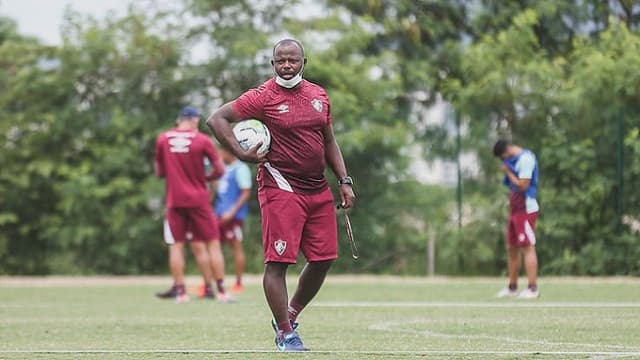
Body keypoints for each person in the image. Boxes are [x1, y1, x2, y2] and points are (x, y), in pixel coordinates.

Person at [206, 38, 355, 351]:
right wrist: (241, 153)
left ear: (304, 61)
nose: (287, 65)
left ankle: (288, 314)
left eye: (293, 60)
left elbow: (329, 140)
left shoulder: (318, 95)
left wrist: (344, 179)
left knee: (324, 258)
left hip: (317, 188)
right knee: (278, 263)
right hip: (281, 186)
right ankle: (286, 334)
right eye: (281, 61)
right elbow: (216, 119)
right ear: (273, 64)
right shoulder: (263, 96)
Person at [154, 106, 228, 303]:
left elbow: (159, 171)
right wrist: (204, 177)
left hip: (174, 200)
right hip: (199, 200)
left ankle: (181, 292)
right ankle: (221, 291)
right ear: (195, 120)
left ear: (179, 120)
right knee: (212, 243)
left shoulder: (163, 138)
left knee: (176, 246)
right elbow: (220, 170)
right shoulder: (203, 140)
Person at [493, 139, 540, 299]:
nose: (504, 161)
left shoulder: (525, 159)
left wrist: (508, 172)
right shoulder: (516, 160)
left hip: (526, 209)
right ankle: (512, 288)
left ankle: (532, 289)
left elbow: (523, 185)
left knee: (527, 247)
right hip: (515, 210)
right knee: (512, 248)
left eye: (502, 157)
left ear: (506, 152)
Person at [212, 146, 252, 294]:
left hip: (233, 217)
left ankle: (238, 282)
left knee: (236, 247)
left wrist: (232, 211)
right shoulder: (222, 169)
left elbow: (246, 192)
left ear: (228, 152)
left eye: (220, 151)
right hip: (219, 214)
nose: (218, 155)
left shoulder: (241, 168)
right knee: (214, 247)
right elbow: (219, 191)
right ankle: (212, 284)